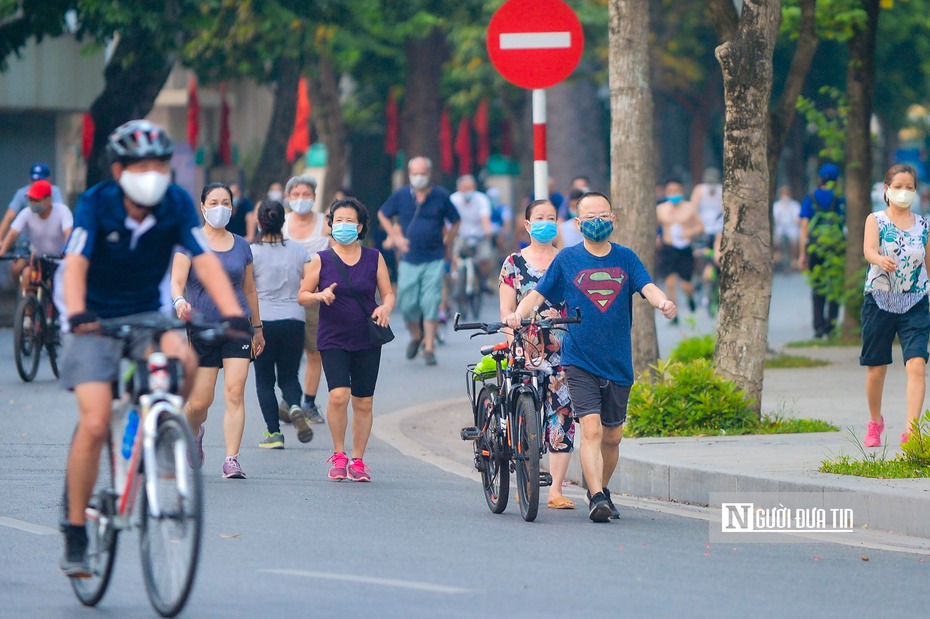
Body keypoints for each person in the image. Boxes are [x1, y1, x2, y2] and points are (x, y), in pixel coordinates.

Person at [58, 119, 247, 576]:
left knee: (182, 358)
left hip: (148, 311)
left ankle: (159, 432)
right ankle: (76, 530)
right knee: (97, 419)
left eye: (160, 164)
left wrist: (234, 315)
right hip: (92, 316)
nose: (153, 173)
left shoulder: (177, 203)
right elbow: (77, 264)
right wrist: (80, 313)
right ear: (119, 169)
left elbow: (206, 260)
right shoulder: (96, 202)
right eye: (142, 165)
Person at [504, 192, 676, 523]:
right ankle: (596, 496)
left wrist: (663, 302)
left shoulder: (626, 258)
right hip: (578, 359)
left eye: (604, 216)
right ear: (579, 224)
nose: (598, 222)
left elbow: (648, 287)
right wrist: (517, 314)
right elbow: (537, 295)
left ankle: (603, 489)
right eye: (590, 217)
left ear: (613, 220)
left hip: (618, 362)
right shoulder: (567, 260)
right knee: (592, 430)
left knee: (613, 436)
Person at [171, 182, 266, 479]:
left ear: (232, 208)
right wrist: (179, 301)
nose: (220, 207)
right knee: (200, 402)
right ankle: (194, 431)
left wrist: (258, 327)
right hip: (201, 327)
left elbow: (249, 289)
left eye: (225, 202)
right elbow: (177, 281)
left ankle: (231, 459)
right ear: (202, 207)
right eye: (213, 202)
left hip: (237, 326)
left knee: (235, 392)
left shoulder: (241, 245)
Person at [298, 197, 396, 482]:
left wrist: (385, 307)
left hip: (367, 336)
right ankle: (339, 455)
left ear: (361, 225)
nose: (343, 226)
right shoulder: (321, 259)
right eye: (338, 220)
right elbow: (303, 295)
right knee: (338, 395)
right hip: (333, 336)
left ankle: (358, 460)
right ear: (330, 225)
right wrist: (319, 295)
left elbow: (387, 292)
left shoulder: (374, 257)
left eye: (349, 221)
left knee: (363, 401)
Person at [499, 199, 576, 509]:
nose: (547, 222)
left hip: (564, 348)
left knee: (562, 413)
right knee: (521, 410)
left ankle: (556, 490)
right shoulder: (513, 263)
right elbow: (506, 310)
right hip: (524, 345)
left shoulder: (569, 260)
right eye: (540, 218)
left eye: (552, 217)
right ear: (528, 225)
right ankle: (524, 478)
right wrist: (513, 339)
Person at [860, 164, 929, 448]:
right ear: (886, 190)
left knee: (917, 364)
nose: (904, 192)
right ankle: (875, 421)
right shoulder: (875, 219)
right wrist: (878, 260)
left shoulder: (924, 225)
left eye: (909, 187)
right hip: (879, 299)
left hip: (915, 300)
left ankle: (912, 432)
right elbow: (868, 249)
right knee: (876, 368)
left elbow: (928, 262)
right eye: (898, 187)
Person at [378, 156, 460, 366]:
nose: (418, 177)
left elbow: (455, 219)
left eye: (422, 173)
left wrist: (448, 242)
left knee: (431, 301)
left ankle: (430, 346)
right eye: (414, 173)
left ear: (429, 174)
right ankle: (416, 335)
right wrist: (395, 238)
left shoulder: (440, 195)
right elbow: (383, 214)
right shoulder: (402, 195)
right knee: (407, 302)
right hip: (409, 258)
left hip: (434, 257)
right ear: (409, 175)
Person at [250, 200, 313, 448]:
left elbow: (245, 288)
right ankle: (295, 406)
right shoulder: (299, 251)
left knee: (265, 380)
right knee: (289, 376)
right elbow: (311, 281)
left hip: (262, 322)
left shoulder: (251, 252)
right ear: (283, 222)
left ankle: (274, 434)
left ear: (259, 222)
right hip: (294, 320)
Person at [281, 174, 330, 424]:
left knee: (314, 352)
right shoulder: (282, 223)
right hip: (284, 296)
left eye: (306, 194)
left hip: (314, 297)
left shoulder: (326, 224)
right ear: (288, 198)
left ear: (314, 196)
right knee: (287, 352)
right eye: (296, 195)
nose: (301, 199)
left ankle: (309, 403)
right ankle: (289, 400)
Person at [0, 179, 72, 297]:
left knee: (61, 289)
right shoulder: (26, 213)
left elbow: (68, 233)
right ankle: (28, 313)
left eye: (36, 199)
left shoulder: (62, 211)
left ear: (48, 199)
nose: (32, 203)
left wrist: (68, 252)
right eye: (30, 199)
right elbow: (13, 233)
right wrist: (2, 252)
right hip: (38, 259)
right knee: (27, 275)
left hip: (59, 259)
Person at [799, 163, 845, 338]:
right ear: (837, 180)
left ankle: (818, 326)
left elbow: (804, 227)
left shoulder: (810, 198)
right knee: (834, 286)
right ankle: (831, 325)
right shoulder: (840, 198)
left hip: (815, 247)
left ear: (819, 179)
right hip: (836, 247)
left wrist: (803, 254)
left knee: (817, 287)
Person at [656, 178, 702, 321]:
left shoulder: (689, 207)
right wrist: (658, 238)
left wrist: (689, 233)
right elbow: (656, 227)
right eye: (670, 191)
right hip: (668, 249)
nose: (673, 193)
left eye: (676, 191)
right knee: (669, 283)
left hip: (684, 249)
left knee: (685, 285)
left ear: (681, 191)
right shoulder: (661, 209)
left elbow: (700, 227)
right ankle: (673, 313)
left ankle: (690, 296)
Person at [450, 174, 494, 283]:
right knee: (454, 256)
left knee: (485, 258)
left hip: (479, 235)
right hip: (460, 236)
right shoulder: (453, 200)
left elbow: (485, 220)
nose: (467, 191)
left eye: (470, 188)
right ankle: (454, 281)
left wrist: (488, 233)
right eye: (465, 188)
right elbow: (449, 222)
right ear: (458, 188)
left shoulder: (481, 199)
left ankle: (484, 280)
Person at [689, 168, 723, 303]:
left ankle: (711, 283)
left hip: (718, 227)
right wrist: (698, 224)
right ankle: (699, 277)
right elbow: (693, 207)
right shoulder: (699, 190)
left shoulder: (721, 190)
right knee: (700, 255)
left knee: (716, 254)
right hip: (702, 227)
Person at [773, 185, 801, 272]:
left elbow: (797, 217)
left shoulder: (795, 205)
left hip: (791, 227)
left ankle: (794, 259)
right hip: (780, 227)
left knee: (794, 240)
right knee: (777, 240)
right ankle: (778, 256)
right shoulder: (776, 206)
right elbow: (775, 218)